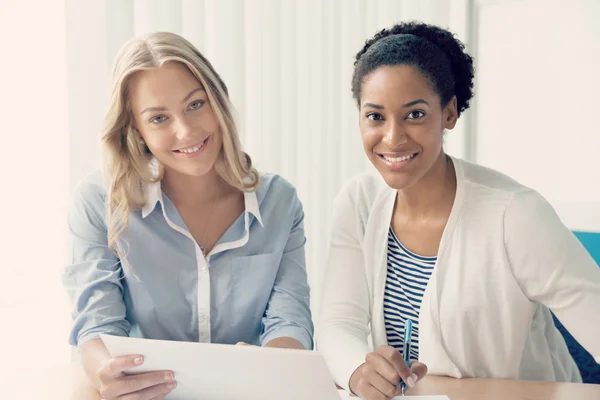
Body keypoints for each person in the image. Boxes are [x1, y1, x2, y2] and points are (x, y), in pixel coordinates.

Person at [317, 21, 600, 400]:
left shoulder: (516, 215)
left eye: (414, 114)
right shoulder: (358, 201)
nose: (392, 137)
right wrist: (358, 372)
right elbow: (338, 323)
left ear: (448, 113)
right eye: (375, 116)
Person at [62, 32, 313, 400]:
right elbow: (97, 327)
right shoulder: (99, 202)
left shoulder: (279, 202)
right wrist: (107, 372)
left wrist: (270, 369)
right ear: (137, 129)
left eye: (196, 104)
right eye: (159, 118)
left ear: (217, 99)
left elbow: (290, 320)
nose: (186, 130)